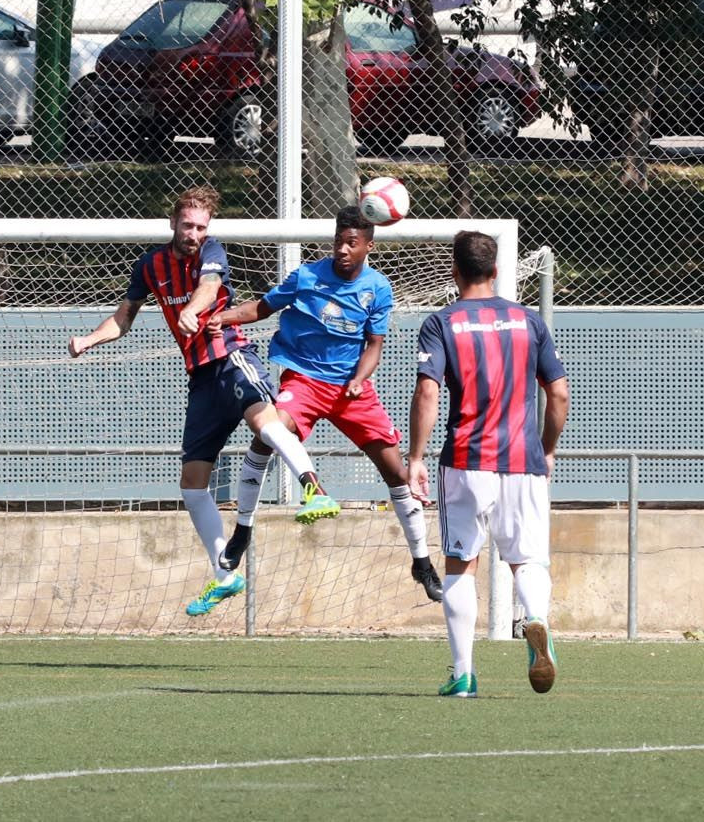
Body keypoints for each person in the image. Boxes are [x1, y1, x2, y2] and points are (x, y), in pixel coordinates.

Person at [68, 185, 334, 617]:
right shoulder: (150, 265)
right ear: (172, 222)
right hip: (200, 379)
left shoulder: (213, 252)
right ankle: (225, 575)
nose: (194, 233)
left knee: (265, 423)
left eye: (201, 227)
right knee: (192, 484)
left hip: (230, 357)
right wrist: (90, 339)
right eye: (188, 225)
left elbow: (210, 287)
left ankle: (313, 489)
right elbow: (124, 317)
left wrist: (194, 308)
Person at [210, 206, 444, 602]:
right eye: (338, 241)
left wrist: (360, 378)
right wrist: (221, 317)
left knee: (396, 471)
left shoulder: (378, 288)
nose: (342, 249)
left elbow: (374, 346)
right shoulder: (307, 276)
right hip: (303, 379)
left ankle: (421, 562)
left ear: (368, 245)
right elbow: (262, 307)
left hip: (351, 390)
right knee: (268, 433)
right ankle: (243, 528)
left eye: (352, 243)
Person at [406, 230, 569, 698]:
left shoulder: (442, 323)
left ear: (454, 272)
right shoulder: (529, 321)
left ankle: (463, 675)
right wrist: (548, 447)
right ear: (496, 271)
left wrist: (416, 457)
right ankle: (535, 619)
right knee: (528, 559)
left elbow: (428, 392)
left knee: (460, 563)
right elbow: (558, 392)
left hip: (466, 461)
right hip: (524, 462)